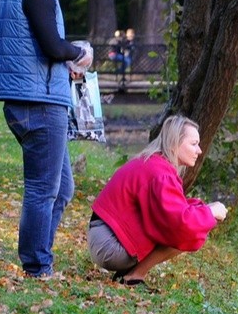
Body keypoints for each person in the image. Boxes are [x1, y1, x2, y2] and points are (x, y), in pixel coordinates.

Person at [0, 0, 94, 278]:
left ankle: (40, 256)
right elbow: (52, 46)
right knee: (42, 188)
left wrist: (64, 61)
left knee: (62, 187)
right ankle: (37, 267)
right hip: (38, 102)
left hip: (26, 98)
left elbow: (32, 46)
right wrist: (79, 52)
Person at [87, 115, 228, 286]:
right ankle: (133, 276)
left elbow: (175, 209)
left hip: (103, 239)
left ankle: (130, 273)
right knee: (185, 230)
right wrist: (210, 212)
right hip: (109, 246)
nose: (199, 150)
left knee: (190, 222)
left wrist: (203, 210)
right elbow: (182, 223)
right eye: (193, 144)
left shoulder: (155, 164)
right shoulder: (161, 173)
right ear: (175, 143)